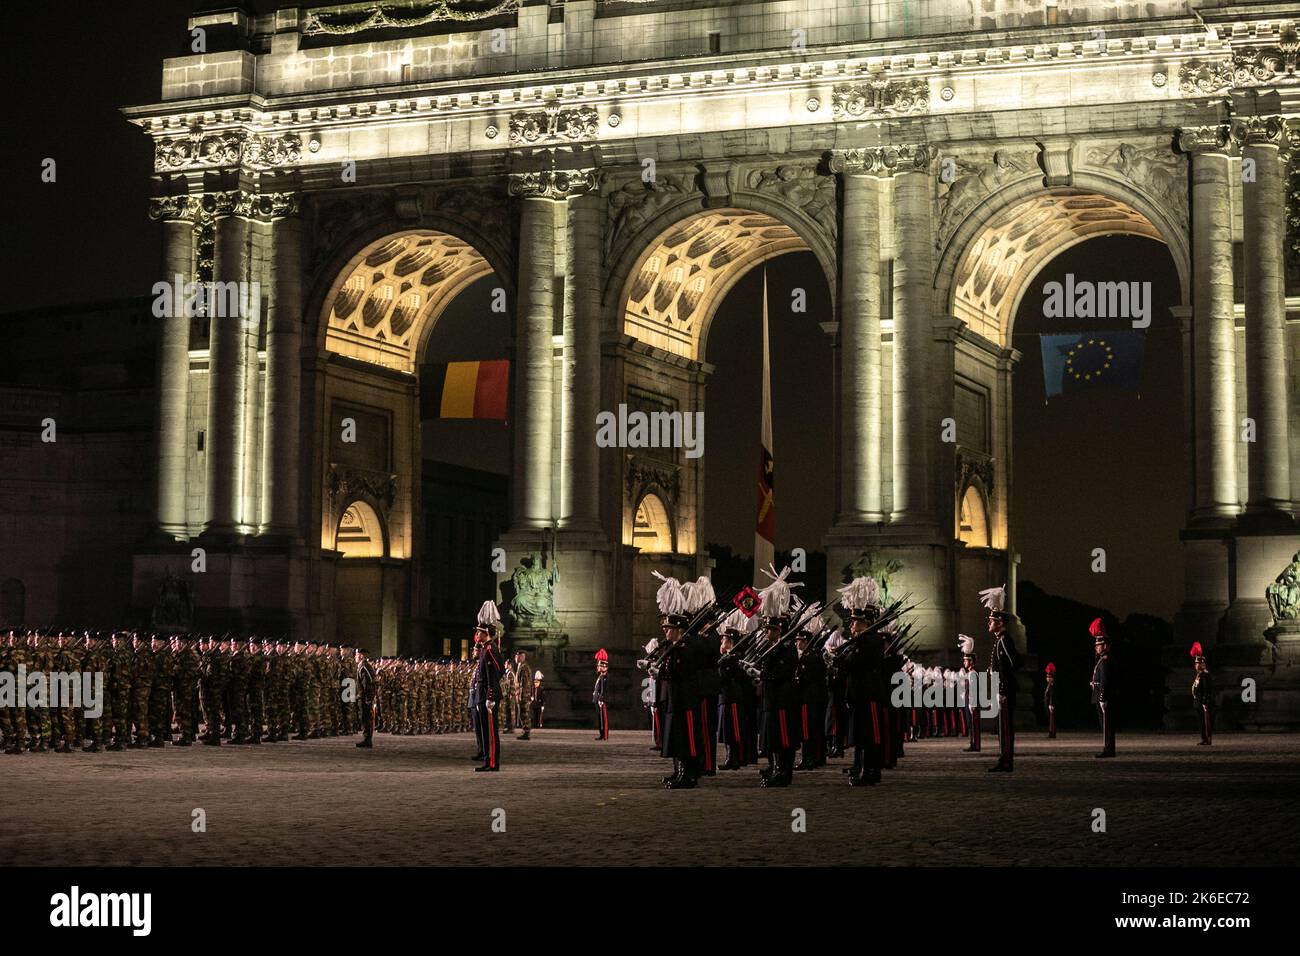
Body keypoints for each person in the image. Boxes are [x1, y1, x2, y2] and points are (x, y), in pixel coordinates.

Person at [755, 566, 803, 788]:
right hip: (771, 699)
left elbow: (781, 673)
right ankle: (775, 768)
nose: (766, 632)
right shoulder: (772, 646)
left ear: (779, 630)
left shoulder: (786, 648)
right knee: (771, 737)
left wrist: (761, 673)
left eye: (770, 629)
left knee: (783, 739)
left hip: (783, 699)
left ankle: (783, 772)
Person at [837, 576, 885, 787]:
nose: (852, 624)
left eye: (856, 621)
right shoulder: (861, 640)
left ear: (867, 622)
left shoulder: (872, 640)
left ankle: (871, 770)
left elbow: (855, 663)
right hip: (859, 693)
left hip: (869, 693)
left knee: (870, 735)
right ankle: (863, 767)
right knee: (861, 734)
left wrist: (842, 659)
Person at [980, 585, 1022, 773]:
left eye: (991, 620)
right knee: (1002, 728)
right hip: (1002, 688)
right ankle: (1003, 758)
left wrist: (1003, 686)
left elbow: (1015, 662)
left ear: (1000, 622)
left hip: (1005, 689)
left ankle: (1006, 761)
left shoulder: (1004, 640)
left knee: (1005, 728)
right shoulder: (999, 640)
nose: (989, 623)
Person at [474, 600, 503, 772]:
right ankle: (487, 760)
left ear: (485, 633)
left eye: (478, 632)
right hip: (483, 693)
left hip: (488, 694)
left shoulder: (491, 650)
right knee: (485, 730)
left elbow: (495, 674)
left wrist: (490, 696)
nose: (477, 636)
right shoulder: (486, 648)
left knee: (491, 732)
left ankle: (493, 762)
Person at [1090, 618, 1115, 758]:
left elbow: (1105, 680)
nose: (1096, 647)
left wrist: (1102, 698)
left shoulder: (1105, 660)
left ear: (1104, 645)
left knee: (1106, 725)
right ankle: (1108, 748)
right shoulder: (1101, 659)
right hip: (1100, 694)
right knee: (1105, 724)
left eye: (1098, 645)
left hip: (1103, 697)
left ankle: (1108, 749)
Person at [959, 635, 981, 752]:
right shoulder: (970, 673)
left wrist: (972, 703)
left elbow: (973, 690)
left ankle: (975, 744)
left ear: (971, 661)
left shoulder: (973, 673)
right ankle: (973, 743)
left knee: (973, 724)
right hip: (969, 701)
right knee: (970, 724)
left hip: (972, 703)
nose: (964, 662)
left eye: (965, 660)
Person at [1190, 642, 1214, 745]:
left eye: (1198, 663)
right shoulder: (1199, 675)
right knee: (1201, 721)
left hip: (1203, 701)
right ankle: (1204, 738)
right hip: (1198, 700)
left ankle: (1207, 738)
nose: (1196, 665)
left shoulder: (1205, 675)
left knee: (1205, 721)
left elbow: (1206, 689)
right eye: (1196, 663)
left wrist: (1205, 701)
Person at [515, 650, 533, 740]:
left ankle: (526, 732)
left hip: (524, 695)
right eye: (516, 656)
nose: (516, 658)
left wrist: (521, 696)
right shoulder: (520, 666)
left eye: (518, 656)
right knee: (522, 713)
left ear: (522, 657)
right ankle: (525, 730)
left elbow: (524, 683)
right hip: (521, 694)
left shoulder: (524, 667)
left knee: (524, 713)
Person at [593, 648, 610, 740]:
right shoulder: (600, 676)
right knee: (599, 718)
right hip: (597, 699)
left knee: (603, 718)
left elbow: (603, 689)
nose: (598, 667)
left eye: (600, 666)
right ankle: (601, 733)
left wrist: (601, 698)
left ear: (605, 667)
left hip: (601, 700)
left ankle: (604, 735)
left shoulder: (604, 677)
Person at [1044, 661, 1058, 738]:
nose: (1048, 678)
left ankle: (1052, 733)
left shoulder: (1052, 685)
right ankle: (1051, 732)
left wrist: (1051, 704)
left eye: (1049, 677)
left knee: (1052, 719)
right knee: (1050, 719)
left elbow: (1052, 695)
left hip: (1051, 704)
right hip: (1048, 704)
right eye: (1047, 677)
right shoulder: (1049, 685)